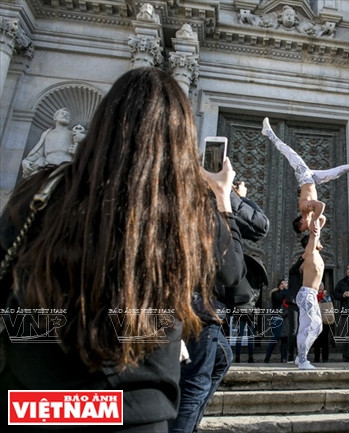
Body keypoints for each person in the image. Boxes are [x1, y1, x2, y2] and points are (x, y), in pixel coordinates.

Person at [0, 67, 238, 432]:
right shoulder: (188, 211)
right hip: (135, 406)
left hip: (35, 398)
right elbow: (235, 279)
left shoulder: (39, 191)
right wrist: (222, 196)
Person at [172, 177, 268, 433]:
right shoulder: (213, 210)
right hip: (201, 305)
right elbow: (258, 228)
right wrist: (233, 195)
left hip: (183, 303)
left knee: (221, 358)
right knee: (195, 382)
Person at [261, 117, 349, 234]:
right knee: (335, 173)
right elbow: (323, 218)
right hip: (313, 179)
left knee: (289, 152)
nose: (307, 227)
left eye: (305, 227)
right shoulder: (311, 213)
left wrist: (314, 221)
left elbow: (321, 205)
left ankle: (268, 132)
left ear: (302, 221)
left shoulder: (304, 208)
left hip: (304, 177)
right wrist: (317, 229)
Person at [295, 219, 326, 370]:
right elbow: (315, 230)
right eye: (317, 239)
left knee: (310, 327)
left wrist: (320, 221)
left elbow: (322, 221)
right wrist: (314, 217)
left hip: (310, 295)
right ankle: (302, 359)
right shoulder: (311, 252)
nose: (320, 241)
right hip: (307, 294)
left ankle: (300, 355)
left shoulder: (316, 256)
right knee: (314, 326)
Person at [21, 107, 76, 178]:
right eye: (62, 113)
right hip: (47, 164)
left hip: (67, 164)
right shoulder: (47, 133)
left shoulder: (73, 133)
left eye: (67, 115)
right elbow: (39, 153)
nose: (65, 115)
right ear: (55, 118)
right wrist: (27, 161)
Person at [264, 278, 289, 363]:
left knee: (284, 339)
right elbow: (280, 299)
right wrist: (286, 290)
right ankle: (267, 358)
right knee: (275, 338)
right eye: (282, 283)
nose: (284, 285)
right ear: (279, 285)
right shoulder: (275, 293)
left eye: (285, 283)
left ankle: (284, 358)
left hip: (285, 318)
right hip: (276, 318)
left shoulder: (286, 293)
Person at [314, 282, 332, 363]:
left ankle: (325, 358)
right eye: (318, 286)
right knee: (316, 339)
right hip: (315, 319)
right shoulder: (313, 295)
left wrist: (322, 296)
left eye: (321, 285)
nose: (320, 287)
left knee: (325, 339)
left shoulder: (327, 295)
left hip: (325, 319)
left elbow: (328, 304)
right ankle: (316, 358)